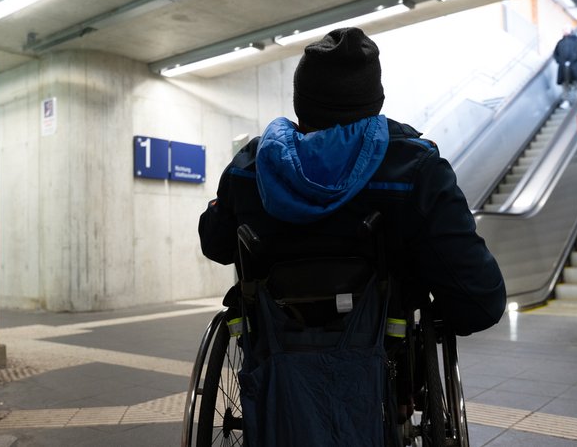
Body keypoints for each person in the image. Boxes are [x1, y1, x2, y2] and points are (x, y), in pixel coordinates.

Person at [198, 27, 506, 337]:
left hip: (272, 361)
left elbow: (216, 246)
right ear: (374, 102)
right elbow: (480, 303)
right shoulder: (414, 167)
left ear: (300, 103)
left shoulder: (250, 168)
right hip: (384, 358)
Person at [553, 26, 577, 108]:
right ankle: (566, 101)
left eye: (566, 29)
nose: (564, 31)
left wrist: (576, 57)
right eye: (563, 30)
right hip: (563, 68)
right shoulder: (560, 42)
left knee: (576, 83)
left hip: (574, 66)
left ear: (570, 30)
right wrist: (560, 61)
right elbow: (555, 54)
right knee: (565, 85)